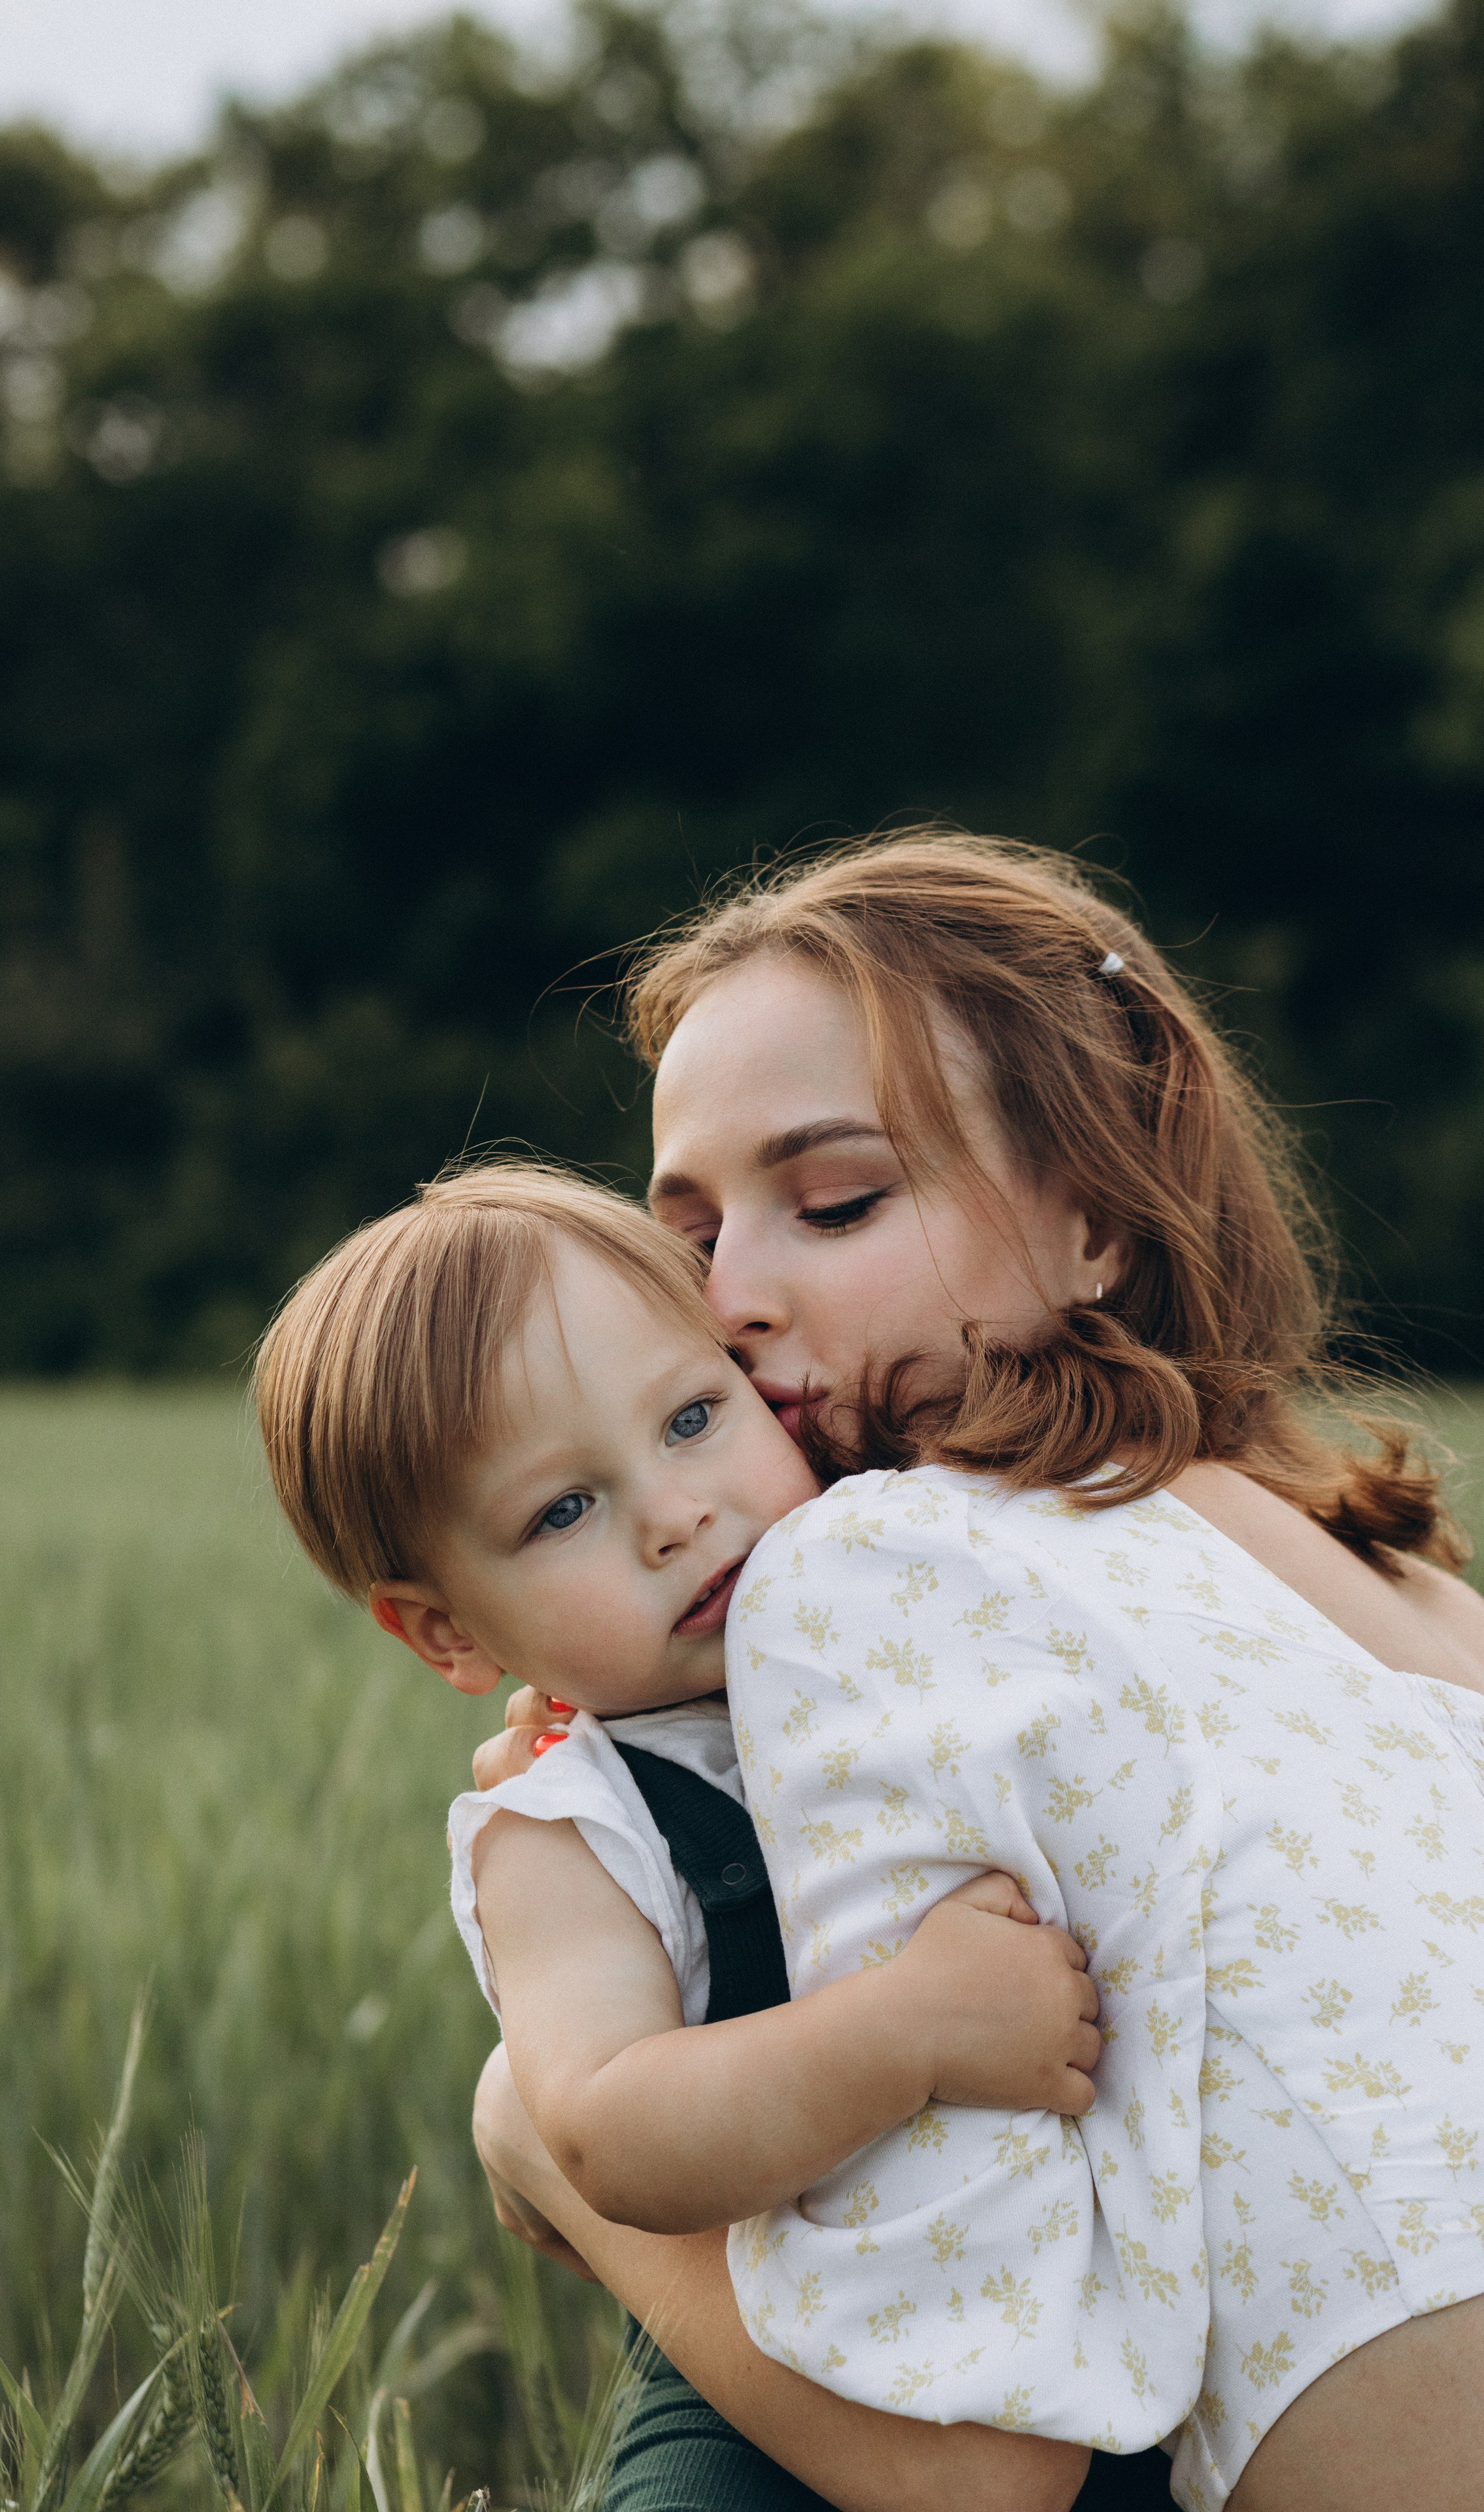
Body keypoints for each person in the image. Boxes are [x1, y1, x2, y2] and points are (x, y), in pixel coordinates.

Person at [471, 832, 1484, 2512]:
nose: (725, 1305)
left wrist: (555, 2144)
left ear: (1095, 1217)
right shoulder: (1413, 1588)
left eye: (836, 1203)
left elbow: (965, 2471)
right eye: (691, 1236)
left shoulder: (875, 1567)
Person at [255, 1163, 1108, 2512]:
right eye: (560, 1512)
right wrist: (914, 2029)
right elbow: (603, 2127)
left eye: (695, 1417)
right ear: (448, 1631)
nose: (672, 1511)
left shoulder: (916, 1617)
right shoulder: (571, 1824)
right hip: (773, 2410)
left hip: (1106, 2343)